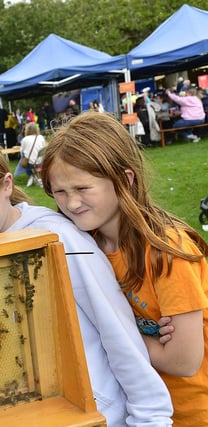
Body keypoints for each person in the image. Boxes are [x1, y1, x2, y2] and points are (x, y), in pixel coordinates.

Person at [0, 131, 173, 427]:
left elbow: (118, 334)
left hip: (98, 416)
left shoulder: (60, 239)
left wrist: (151, 418)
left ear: (7, 185)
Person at [40, 112, 208, 426]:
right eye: (59, 192)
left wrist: (116, 334)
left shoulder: (167, 251)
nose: (71, 203)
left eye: (83, 188)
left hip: (191, 414)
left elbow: (184, 360)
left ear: (125, 179)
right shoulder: (82, 248)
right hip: (131, 410)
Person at [13, 122, 46, 187]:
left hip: (30, 164)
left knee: (23, 157)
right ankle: (36, 178)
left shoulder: (25, 139)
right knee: (28, 157)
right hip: (40, 162)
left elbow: (21, 151)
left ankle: (30, 176)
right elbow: (43, 149)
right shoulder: (41, 137)